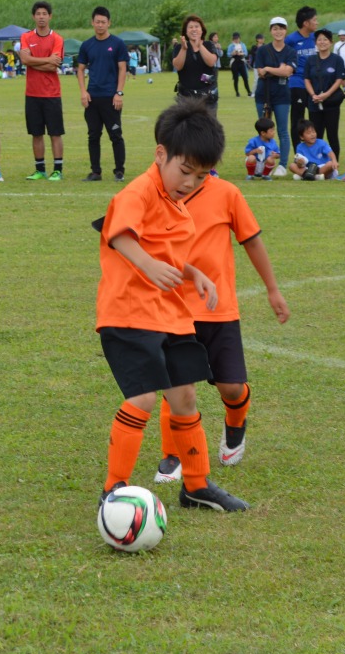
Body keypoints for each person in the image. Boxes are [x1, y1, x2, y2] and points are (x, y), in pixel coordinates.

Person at [94, 98, 248, 512]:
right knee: (144, 396)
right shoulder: (139, 191)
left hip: (171, 313)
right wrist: (146, 265)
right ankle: (113, 488)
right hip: (130, 312)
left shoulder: (176, 201)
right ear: (161, 154)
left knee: (184, 397)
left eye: (201, 176)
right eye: (185, 170)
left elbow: (166, 252)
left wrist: (192, 273)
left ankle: (196, 486)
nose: (191, 182)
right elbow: (119, 234)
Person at [152, 159, 290, 482]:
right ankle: (173, 455)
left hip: (218, 307)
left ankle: (236, 421)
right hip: (173, 306)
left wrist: (273, 290)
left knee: (230, 387)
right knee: (175, 384)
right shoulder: (158, 192)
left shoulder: (227, 193)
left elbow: (251, 240)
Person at [76, 6, 129, 182]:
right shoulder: (86, 45)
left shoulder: (117, 44)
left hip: (111, 98)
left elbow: (122, 69)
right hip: (92, 98)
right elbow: (80, 69)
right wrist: (83, 91)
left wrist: (119, 93)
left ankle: (119, 171)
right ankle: (95, 172)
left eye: (103, 22)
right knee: (93, 136)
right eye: (97, 22)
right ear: (92, 23)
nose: (100, 25)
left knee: (115, 135)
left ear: (109, 23)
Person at [19, 1, 65, 181]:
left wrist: (33, 61)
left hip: (52, 94)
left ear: (50, 16)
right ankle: (40, 169)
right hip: (32, 94)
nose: (41, 17)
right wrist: (46, 60)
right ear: (33, 16)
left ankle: (57, 170)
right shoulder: (26, 37)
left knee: (55, 133)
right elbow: (25, 60)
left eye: (44, 14)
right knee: (36, 133)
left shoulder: (57, 39)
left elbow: (54, 65)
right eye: (38, 14)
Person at [253, 17, 297, 172]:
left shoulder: (290, 51)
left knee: (282, 131)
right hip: (263, 94)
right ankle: (264, 163)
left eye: (281, 28)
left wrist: (269, 69)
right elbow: (260, 72)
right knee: (264, 130)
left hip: (282, 95)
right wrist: (279, 69)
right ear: (271, 31)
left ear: (286, 30)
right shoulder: (262, 50)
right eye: (275, 28)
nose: (278, 32)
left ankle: (282, 165)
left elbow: (287, 72)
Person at [304, 29, 345, 160]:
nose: (322, 42)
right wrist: (313, 95)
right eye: (319, 40)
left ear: (331, 42)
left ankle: (334, 163)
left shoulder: (337, 60)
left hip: (331, 103)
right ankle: (317, 162)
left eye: (325, 39)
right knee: (315, 134)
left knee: (332, 134)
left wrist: (326, 94)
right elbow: (306, 79)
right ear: (315, 42)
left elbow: (339, 80)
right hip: (314, 102)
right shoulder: (310, 60)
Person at [285, 6, 320, 153]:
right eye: (314, 20)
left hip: (314, 85)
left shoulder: (316, 38)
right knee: (297, 120)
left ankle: (315, 153)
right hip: (297, 84)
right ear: (306, 23)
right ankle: (298, 154)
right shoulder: (291, 40)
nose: (317, 22)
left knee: (315, 119)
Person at [171, 14, 220, 114]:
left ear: (202, 30)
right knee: (186, 123)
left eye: (197, 27)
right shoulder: (179, 47)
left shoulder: (209, 45)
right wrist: (184, 49)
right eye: (190, 27)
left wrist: (200, 45)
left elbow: (211, 62)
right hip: (186, 97)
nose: (194, 29)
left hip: (207, 97)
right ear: (186, 31)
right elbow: (178, 66)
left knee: (207, 123)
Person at [227, 32, 251, 97]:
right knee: (236, 78)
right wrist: (233, 53)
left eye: (237, 38)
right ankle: (237, 92)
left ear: (239, 38)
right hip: (234, 61)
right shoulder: (231, 45)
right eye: (235, 39)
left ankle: (249, 91)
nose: (236, 40)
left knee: (245, 77)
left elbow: (246, 53)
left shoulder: (242, 45)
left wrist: (241, 53)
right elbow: (228, 54)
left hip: (241, 61)